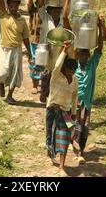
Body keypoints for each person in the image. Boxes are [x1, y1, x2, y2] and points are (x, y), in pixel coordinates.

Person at [73, 14, 106, 164]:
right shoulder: (72, 67)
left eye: (86, 54)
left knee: (85, 128)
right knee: (75, 127)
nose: (85, 56)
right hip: (73, 103)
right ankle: (73, 147)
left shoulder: (92, 65)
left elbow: (99, 48)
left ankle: (80, 151)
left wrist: (100, 26)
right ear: (78, 54)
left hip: (86, 103)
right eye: (82, 53)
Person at [0, 0, 32, 104]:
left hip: (17, 49)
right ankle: (0, 83)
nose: (12, 8)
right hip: (5, 48)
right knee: (4, 71)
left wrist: (29, 52)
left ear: (18, 6)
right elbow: (0, 0)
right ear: (8, 6)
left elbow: (26, 38)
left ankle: (10, 95)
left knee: (15, 74)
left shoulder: (22, 20)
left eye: (15, 6)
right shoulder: (4, 15)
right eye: (10, 6)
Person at [38, 0, 72, 103]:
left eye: (58, 10)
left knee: (57, 76)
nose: (56, 12)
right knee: (46, 75)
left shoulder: (63, 22)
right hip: (47, 53)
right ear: (49, 11)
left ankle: (54, 99)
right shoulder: (45, 18)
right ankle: (44, 93)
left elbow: (66, 15)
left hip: (59, 54)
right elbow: (40, 4)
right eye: (54, 10)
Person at [46, 44, 78, 177]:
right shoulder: (56, 76)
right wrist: (64, 51)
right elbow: (57, 65)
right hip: (52, 110)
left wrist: (74, 113)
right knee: (50, 135)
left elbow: (75, 97)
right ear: (64, 69)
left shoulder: (75, 81)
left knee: (64, 138)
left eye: (73, 70)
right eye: (68, 69)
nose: (70, 72)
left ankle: (61, 167)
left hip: (65, 112)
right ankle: (49, 151)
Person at [27, 0, 44, 95]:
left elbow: (42, 0)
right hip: (33, 40)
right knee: (33, 62)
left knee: (43, 63)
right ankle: (34, 85)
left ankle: (42, 84)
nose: (38, 2)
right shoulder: (32, 10)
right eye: (37, 1)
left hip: (43, 41)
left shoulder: (45, 12)